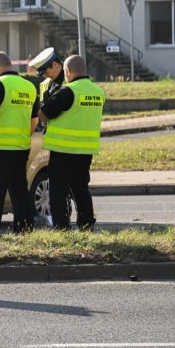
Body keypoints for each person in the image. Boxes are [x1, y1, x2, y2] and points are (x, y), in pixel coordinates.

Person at [38, 55, 105, 232]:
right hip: (86, 150)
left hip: (63, 149)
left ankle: (61, 228)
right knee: (81, 189)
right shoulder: (98, 92)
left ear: (67, 71)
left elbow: (43, 114)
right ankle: (86, 224)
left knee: (58, 192)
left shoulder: (67, 91)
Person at [0, 51, 39, 233]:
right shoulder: (29, 87)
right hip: (20, 147)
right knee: (19, 191)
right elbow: (34, 121)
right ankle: (25, 229)